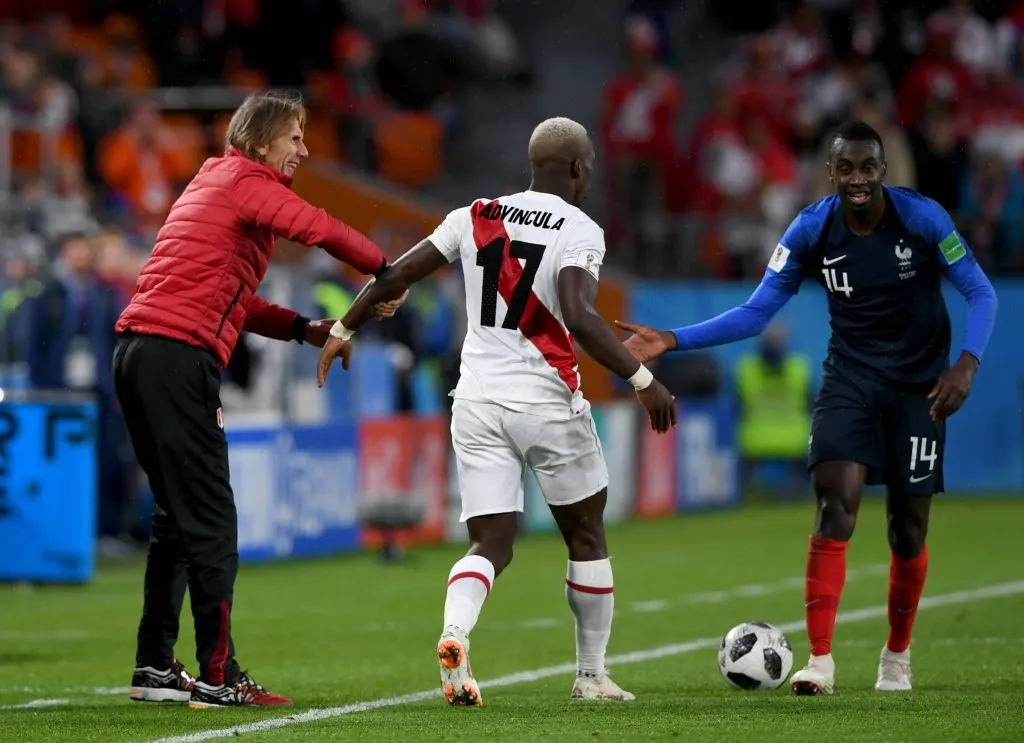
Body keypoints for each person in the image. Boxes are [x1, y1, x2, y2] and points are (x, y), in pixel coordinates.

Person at [616, 120, 997, 696]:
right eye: (846, 169)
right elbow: (754, 313)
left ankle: (896, 655)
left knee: (907, 532)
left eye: (868, 168)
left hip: (920, 389)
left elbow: (981, 291)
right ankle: (820, 661)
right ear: (831, 172)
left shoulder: (923, 219)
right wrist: (670, 339)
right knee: (835, 505)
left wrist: (966, 363)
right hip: (850, 381)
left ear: (883, 171)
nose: (858, 180)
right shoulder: (810, 229)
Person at [316, 117, 677, 706]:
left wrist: (342, 326)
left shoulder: (475, 214)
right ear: (580, 169)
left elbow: (397, 273)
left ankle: (455, 634)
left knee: (490, 544)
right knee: (586, 535)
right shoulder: (581, 228)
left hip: (477, 402)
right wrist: (642, 377)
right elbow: (580, 315)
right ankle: (591, 677)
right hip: (546, 404)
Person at [114, 91, 401, 708]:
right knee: (212, 522)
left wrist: (305, 328)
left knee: (176, 516)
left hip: (140, 352)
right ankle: (220, 679)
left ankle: (156, 666)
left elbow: (236, 300)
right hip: (176, 358)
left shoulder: (212, 181)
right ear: (262, 139)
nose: (303, 148)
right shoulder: (246, 179)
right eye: (294, 136)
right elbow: (318, 226)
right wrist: (387, 270)